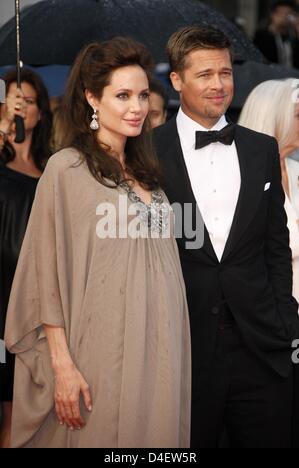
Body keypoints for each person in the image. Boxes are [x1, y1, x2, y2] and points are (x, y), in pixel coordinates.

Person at [4, 38, 191, 449]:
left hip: (159, 353)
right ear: (92, 98)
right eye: (122, 95)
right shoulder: (66, 170)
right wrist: (62, 365)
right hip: (99, 354)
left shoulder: (151, 179)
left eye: (142, 95)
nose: (136, 107)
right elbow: (44, 273)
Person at [154, 25, 299, 448]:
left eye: (225, 73)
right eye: (204, 75)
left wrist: (286, 326)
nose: (219, 85)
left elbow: (276, 247)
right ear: (177, 80)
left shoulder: (260, 149)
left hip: (262, 348)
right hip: (183, 349)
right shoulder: (147, 152)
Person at [0, 68, 52, 449]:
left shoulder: (56, 167)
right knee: (10, 412)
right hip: (3, 300)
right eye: (14, 100)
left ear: (41, 112)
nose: (22, 108)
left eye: (29, 101)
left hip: (43, 300)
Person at [239, 79, 299, 311]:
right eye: (298, 115)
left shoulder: (295, 170)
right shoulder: (244, 178)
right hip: (270, 312)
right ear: (274, 117)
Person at [254, 0, 299, 69]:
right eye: (281, 13)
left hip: (293, 76)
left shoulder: (293, 37)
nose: (284, 17)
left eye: (288, 13)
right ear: (273, 15)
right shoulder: (262, 35)